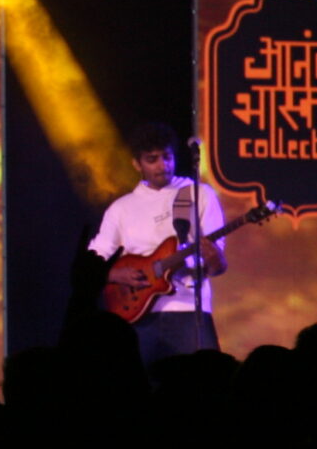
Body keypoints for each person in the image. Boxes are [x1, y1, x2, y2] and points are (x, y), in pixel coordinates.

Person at [89, 121, 227, 370]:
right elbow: (91, 262)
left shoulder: (199, 194)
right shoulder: (121, 208)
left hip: (189, 310)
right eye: (152, 159)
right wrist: (116, 274)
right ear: (137, 164)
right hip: (137, 317)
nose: (162, 165)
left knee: (206, 380)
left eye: (167, 157)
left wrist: (215, 258)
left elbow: (216, 267)